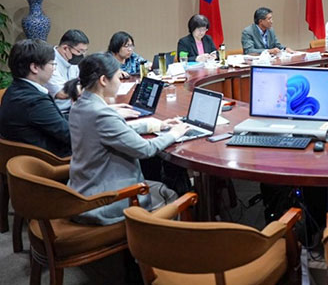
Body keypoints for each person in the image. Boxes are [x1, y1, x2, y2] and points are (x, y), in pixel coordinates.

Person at [66, 53, 190, 225]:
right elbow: (146, 149)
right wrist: (174, 133)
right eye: (118, 76)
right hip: (104, 200)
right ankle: (150, 247)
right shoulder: (102, 113)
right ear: (103, 80)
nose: (119, 80)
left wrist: (153, 125)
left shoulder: (80, 105)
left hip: (84, 188)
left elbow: (112, 131)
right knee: (172, 196)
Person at [0, 39, 71, 157]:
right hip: (51, 162)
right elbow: (70, 136)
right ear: (34, 67)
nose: (54, 69)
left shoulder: (15, 89)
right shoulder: (34, 101)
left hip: (28, 158)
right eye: (52, 64)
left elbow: (57, 119)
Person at [46, 29, 89, 113]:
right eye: (79, 51)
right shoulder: (49, 61)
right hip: (58, 112)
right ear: (65, 48)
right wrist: (92, 88)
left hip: (74, 109)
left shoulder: (72, 60)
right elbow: (61, 93)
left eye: (84, 51)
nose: (82, 55)